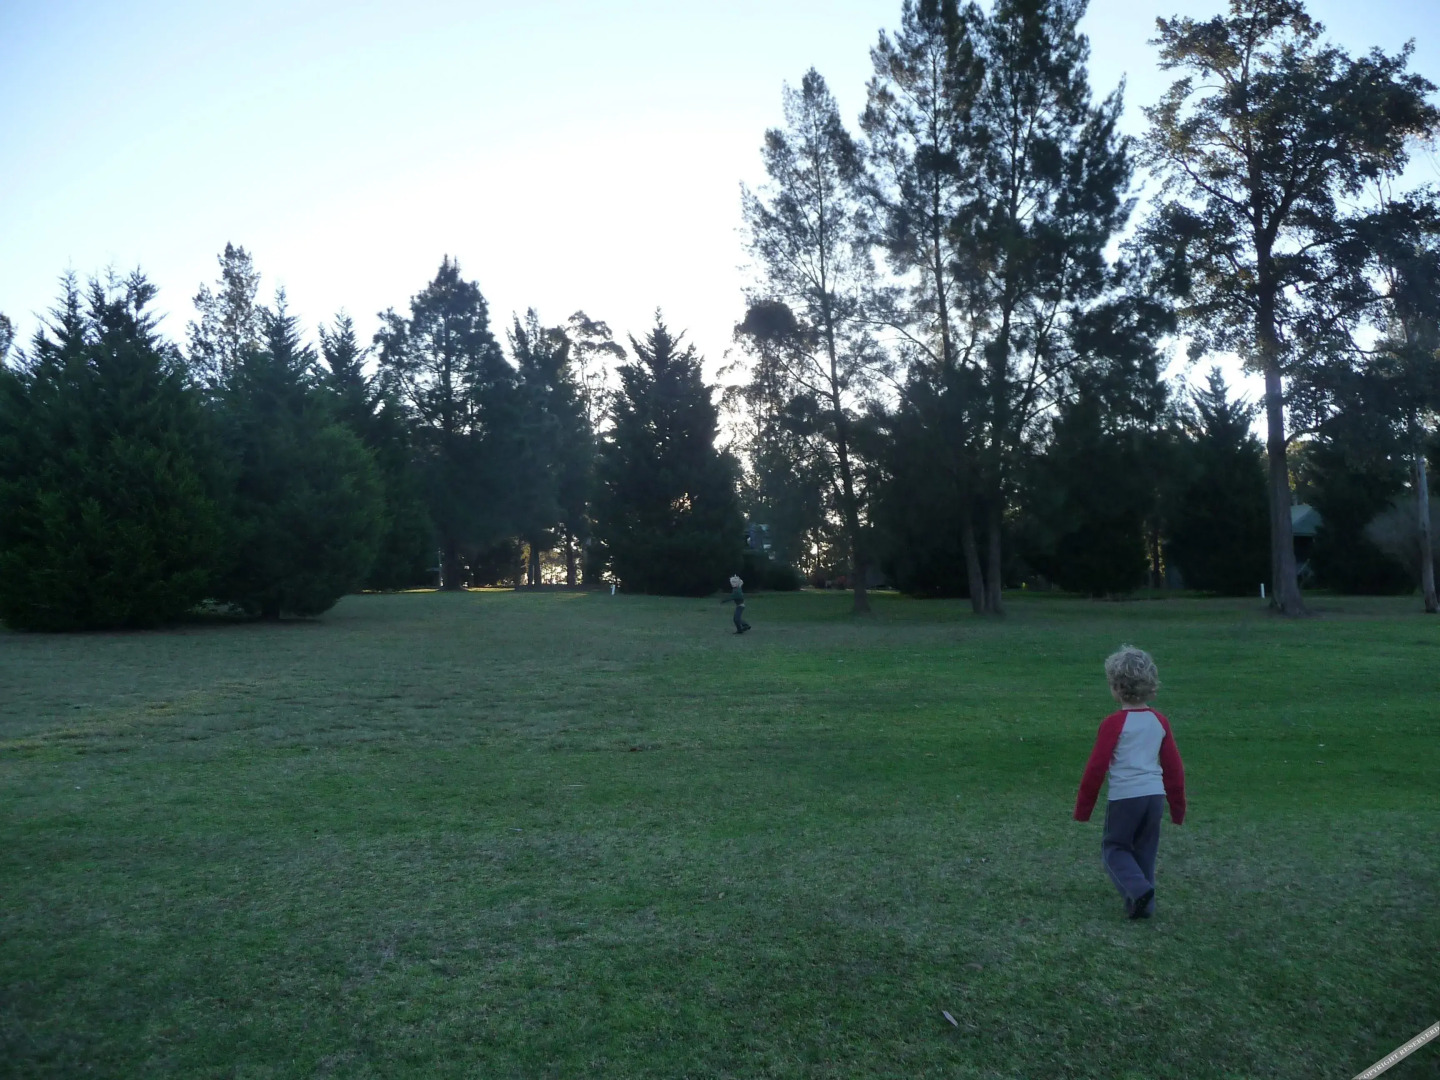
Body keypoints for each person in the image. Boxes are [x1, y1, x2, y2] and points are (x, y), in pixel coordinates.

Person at [1073, 645, 1186, 919]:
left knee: (1114, 848)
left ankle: (1137, 889)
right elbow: (1174, 768)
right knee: (1144, 851)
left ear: (1116, 687)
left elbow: (1096, 769)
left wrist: (1083, 809)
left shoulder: (1113, 724)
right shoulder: (1159, 721)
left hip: (1126, 798)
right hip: (1154, 797)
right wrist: (1177, 807)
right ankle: (1143, 906)